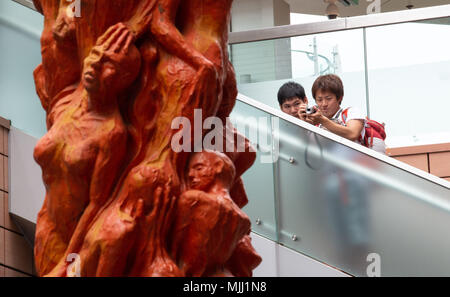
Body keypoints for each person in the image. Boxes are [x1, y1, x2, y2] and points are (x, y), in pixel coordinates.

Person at [300, 74, 366, 144]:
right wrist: (304, 124)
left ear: (340, 98)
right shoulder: (315, 121)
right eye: (319, 100)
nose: (324, 104)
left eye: (328, 99)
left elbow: (352, 134)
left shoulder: (352, 112)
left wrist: (322, 120)